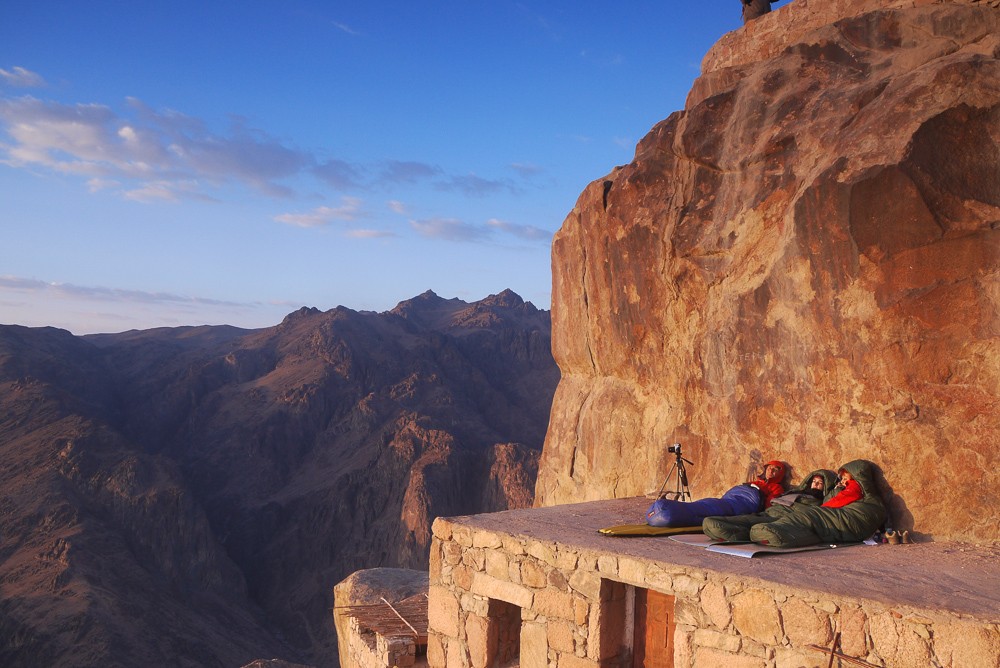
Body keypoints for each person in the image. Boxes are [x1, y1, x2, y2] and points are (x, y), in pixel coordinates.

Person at [704, 460, 887, 548]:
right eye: (813, 481)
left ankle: (774, 534)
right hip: (781, 511)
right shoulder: (843, 489)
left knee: (808, 517)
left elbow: (829, 506)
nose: (815, 484)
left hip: (835, 517)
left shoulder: (858, 491)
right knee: (760, 518)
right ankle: (732, 529)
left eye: (819, 483)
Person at [646, 460, 787, 527]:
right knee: (711, 503)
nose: (771, 471)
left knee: (715, 510)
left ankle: (671, 511)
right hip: (734, 494)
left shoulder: (776, 488)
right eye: (770, 468)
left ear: (780, 475)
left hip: (746, 501)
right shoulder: (756, 481)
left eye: (776, 470)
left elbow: (770, 505)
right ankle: (672, 511)